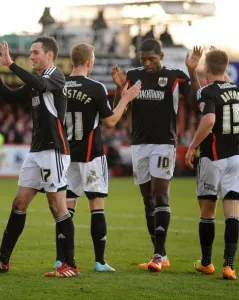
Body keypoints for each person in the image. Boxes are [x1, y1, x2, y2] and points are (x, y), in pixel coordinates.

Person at [53, 43, 141, 272]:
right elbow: (110, 121)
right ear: (90, 62)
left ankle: (60, 259)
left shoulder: (58, 85)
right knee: (97, 206)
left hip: (66, 156)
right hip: (92, 155)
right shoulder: (96, 87)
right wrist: (126, 97)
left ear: (73, 61)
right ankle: (100, 261)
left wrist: (120, 91)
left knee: (65, 209)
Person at [0, 37, 79, 278]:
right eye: (31, 53)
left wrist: (11, 64)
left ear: (49, 55)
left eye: (35, 52)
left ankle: (71, 264)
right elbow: (11, 97)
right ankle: (2, 259)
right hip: (36, 152)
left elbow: (40, 84)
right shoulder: (36, 81)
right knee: (19, 203)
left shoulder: (55, 75)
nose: (32, 56)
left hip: (53, 150)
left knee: (57, 206)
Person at [112, 38, 192, 272]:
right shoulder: (133, 76)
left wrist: (193, 72)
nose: (146, 63)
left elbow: (196, 100)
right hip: (139, 145)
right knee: (147, 199)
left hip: (164, 143)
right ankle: (160, 253)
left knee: (160, 195)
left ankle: (158, 255)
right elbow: (119, 109)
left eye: (151, 58)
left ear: (162, 56)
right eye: (143, 59)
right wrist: (120, 89)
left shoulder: (177, 76)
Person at [185, 46, 239, 280]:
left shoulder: (207, 91)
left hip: (213, 157)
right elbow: (225, 83)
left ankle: (207, 263)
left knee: (208, 211)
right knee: (232, 212)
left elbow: (209, 119)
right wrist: (218, 60)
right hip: (236, 157)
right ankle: (229, 266)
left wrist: (192, 147)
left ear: (207, 69)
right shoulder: (237, 89)